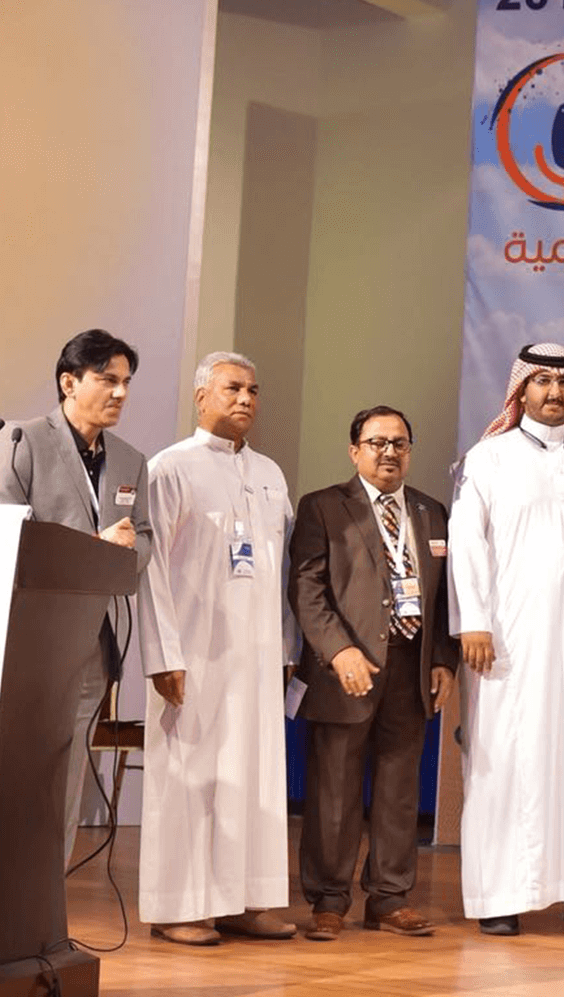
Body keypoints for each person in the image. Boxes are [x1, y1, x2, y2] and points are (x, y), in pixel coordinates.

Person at [449, 343, 564, 937]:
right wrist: (473, 620)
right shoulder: (490, 457)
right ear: (519, 391)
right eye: (542, 382)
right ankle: (502, 894)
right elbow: (468, 544)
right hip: (511, 641)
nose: (554, 393)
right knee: (510, 759)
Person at [138, 352, 296, 945]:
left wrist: (284, 646)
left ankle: (244, 899)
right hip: (193, 655)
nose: (246, 398)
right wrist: (163, 656)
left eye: (255, 389)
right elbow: (148, 571)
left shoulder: (270, 474)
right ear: (201, 396)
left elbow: (276, 572)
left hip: (255, 657)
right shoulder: (170, 468)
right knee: (191, 775)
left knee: (253, 775)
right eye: (233, 387)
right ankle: (179, 906)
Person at [289, 406, 458, 941]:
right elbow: (307, 589)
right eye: (378, 442)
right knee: (334, 790)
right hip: (347, 669)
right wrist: (338, 652)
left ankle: (388, 897)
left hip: (411, 671)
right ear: (354, 449)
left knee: (398, 790)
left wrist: (443, 659)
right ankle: (329, 900)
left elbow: (447, 597)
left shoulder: (433, 512)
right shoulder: (322, 508)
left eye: (400, 443)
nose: (389, 452)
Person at [0, 329, 151, 867]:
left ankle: (46, 899)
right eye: (107, 379)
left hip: (93, 638)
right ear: (69, 381)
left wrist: (125, 554)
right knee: (19, 762)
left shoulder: (132, 460)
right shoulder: (21, 441)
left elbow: (145, 537)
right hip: (25, 634)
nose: (121, 393)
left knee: (68, 768)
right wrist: (95, 548)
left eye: (126, 382)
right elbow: (10, 536)